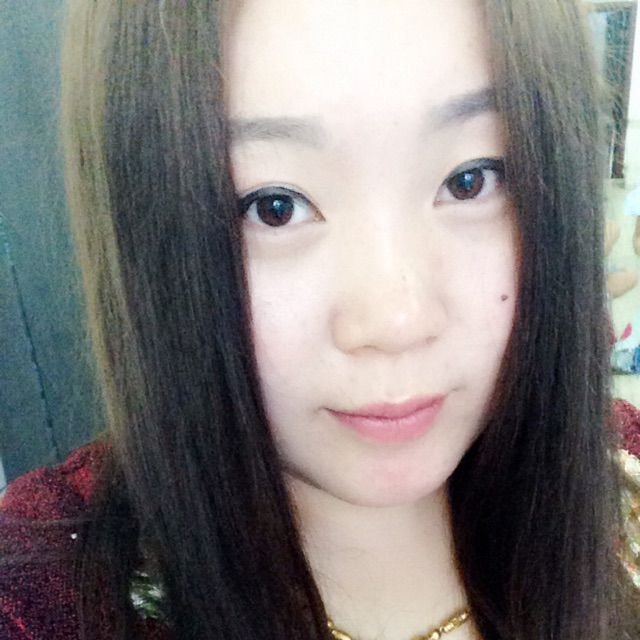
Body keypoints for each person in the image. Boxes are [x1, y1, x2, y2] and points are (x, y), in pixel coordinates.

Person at [1, 1, 639, 638]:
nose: (396, 321)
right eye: (274, 207)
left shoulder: (624, 468)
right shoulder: (39, 594)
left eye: (471, 180)